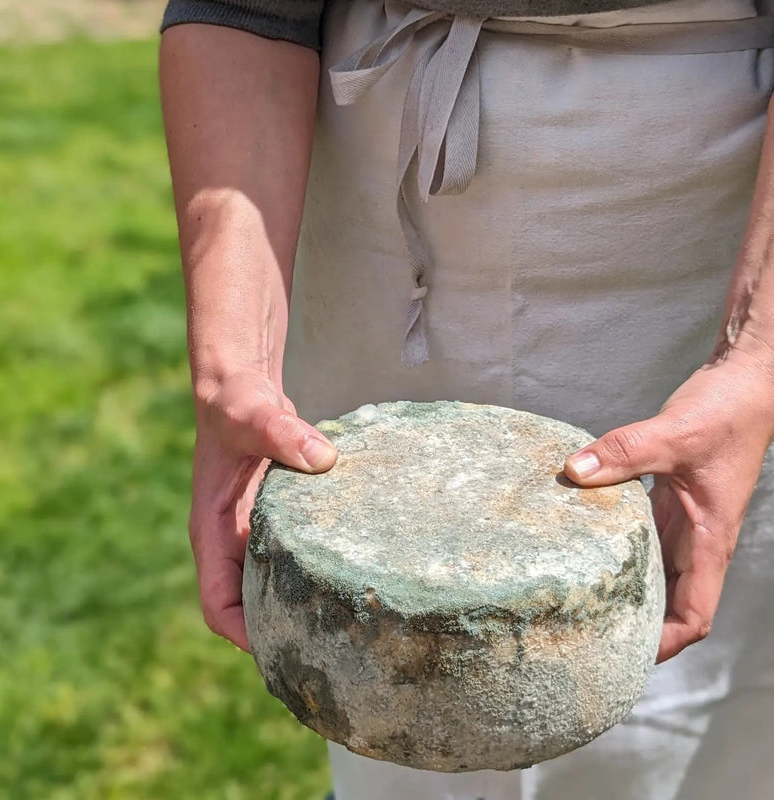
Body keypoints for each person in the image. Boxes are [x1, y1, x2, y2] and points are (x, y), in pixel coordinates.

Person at [159, 0, 774, 797]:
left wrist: (755, 357)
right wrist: (233, 358)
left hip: (706, 213)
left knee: (688, 731)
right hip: (381, 194)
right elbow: (244, 8)